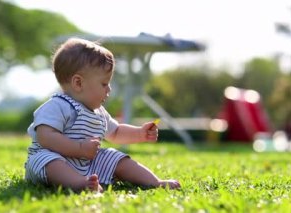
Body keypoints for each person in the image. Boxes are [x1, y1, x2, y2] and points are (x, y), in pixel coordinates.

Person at [24, 38, 181, 192]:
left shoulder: (99, 112)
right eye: (104, 84)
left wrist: (140, 133)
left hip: (86, 163)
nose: (109, 89)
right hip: (53, 160)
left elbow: (116, 132)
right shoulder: (57, 105)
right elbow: (46, 137)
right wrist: (79, 148)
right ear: (78, 83)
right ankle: (79, 183)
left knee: (115, 157)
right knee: (49, 161)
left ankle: (154, 182)